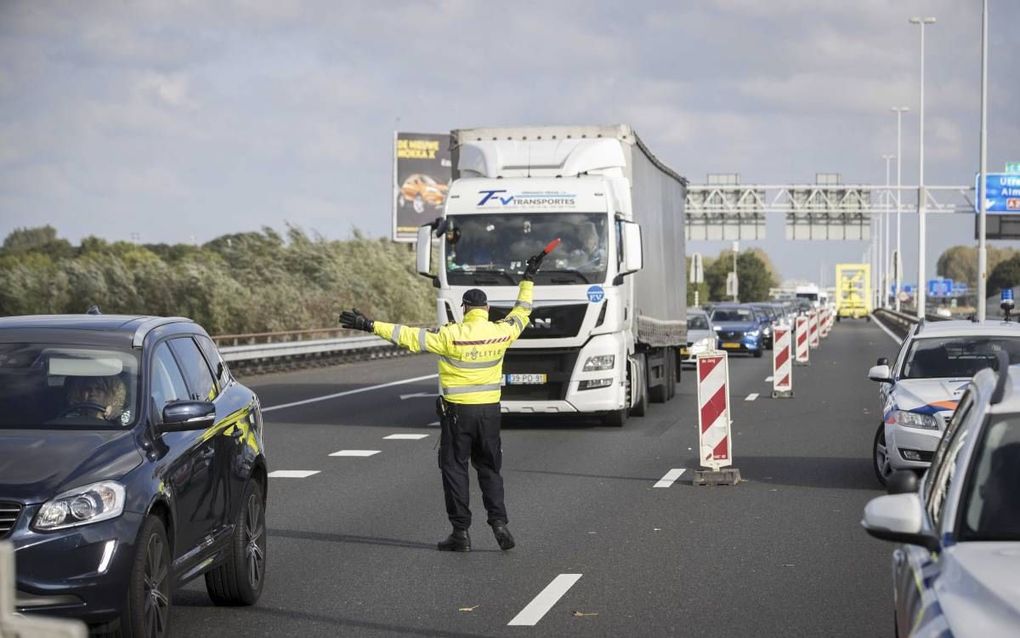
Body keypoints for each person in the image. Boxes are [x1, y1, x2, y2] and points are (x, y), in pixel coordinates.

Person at [340, 247, 550, 552]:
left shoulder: (450, 336)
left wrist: (369, 325)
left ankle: (460, 534)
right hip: (490, 414)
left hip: (457, 415)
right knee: (490, 469)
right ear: (487, 309)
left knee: (455, 469)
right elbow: (522, 311)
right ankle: (499, 523)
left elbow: (407, 336)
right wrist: (528, 277)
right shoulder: (502, 332)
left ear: (464, 309)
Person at [63, 375, 127, 423]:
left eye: (99, 389)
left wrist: (116, 414)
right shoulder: (71, 417)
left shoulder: (120, 418)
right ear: (80, 394)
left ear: (111, 394)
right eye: (88, 389)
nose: (93, 393)